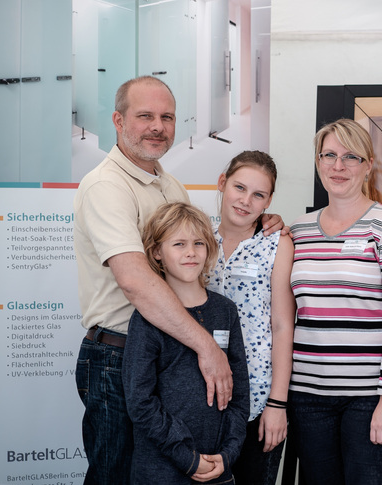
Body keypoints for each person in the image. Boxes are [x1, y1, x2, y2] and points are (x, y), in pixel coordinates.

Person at [73, 75, 283, 484]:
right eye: (145, 116)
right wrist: (208, 346)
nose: (157, 126)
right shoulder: (106, 186)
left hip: (173, 350)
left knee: (167, 470)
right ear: (118, 120)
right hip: (118, 354)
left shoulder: (169, 185)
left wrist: (263, 223)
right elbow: (135, 280)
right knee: (115, 474)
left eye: (166, 117)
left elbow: (199, 240)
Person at [288, 118, 382, 485]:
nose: (338, 166)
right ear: (318, 163)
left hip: (371, 398)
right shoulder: (297, 231)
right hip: (308, 397)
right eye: (328, 155)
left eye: (350, 157)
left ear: (368, 165)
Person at [122, 202, 250, 483]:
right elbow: (140, 403)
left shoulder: (225, 311)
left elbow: (239, 395)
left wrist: (228, 454)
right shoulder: (147, 318)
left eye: (198, 243)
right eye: (178, 244)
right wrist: (188, 459)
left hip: (219, 468)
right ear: (157, 253)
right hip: (161, 472)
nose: (191, 252)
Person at [208, 151, 295, 485]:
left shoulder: (277, 243)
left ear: (268, 201)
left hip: (257, 395)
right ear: (222, 183)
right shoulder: (197, 237)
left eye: (258, 194)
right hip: (203, 389)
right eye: (239, 188)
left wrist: (277, 403)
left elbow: (283, 325)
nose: (245, 200)